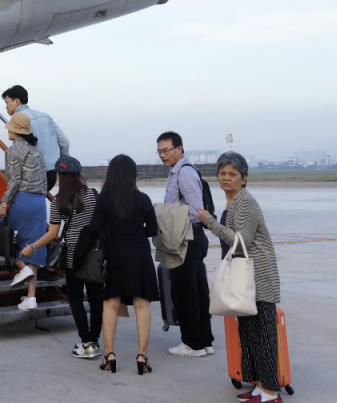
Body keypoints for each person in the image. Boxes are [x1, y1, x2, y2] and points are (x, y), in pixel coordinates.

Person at [198, 152, 285, 403]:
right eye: (222, 173)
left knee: (263, 336)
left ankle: (272, 394)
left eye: (232, 174)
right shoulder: (232, 201)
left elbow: (241, 241)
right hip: (244, 280)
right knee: (250, 335)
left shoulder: (244, 202)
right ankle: (260, 386)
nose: (226, 178)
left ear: (244, 178)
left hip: (257, 278)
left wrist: (209, 222)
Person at [86, 154, 159, 375]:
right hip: (139, 253)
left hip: (114, 254)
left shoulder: (105, 199)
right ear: (133, 175)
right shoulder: (143, 199)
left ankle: (109, 355)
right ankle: (142, 356)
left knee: (110, 304)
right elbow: (153, 231)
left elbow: (93, 227)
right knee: (142, 305)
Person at [25, 157, 104, 358]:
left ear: (59, 175)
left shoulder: (58, 201)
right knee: (96, 300)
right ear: (78, 175)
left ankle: (86, 342)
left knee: (76, 299)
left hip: (72, 256)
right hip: (94, 255)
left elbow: (52, 233)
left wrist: (32, 247)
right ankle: (94, 341)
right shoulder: (93, 195)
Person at [158, 130, 214, 357]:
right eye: (159, 151)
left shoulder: (183, 173)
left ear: (179, 149)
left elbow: (195, 210)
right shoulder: (178, 172)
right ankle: (205, 340)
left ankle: (193, 344)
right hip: (190, 236)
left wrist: (165, 215)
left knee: (186, 292)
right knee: (198, 291)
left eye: (166, 150)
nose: (162, 155)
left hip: (186, 237)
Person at [0, 112, 48, 311]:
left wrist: (3, 203)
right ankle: (31, 297)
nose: (8, 130)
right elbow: (43, 181)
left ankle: (23, 268)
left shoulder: (13, 151)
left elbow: (14, 181)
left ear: (15, 130)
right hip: (38, 202)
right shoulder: (37, 151)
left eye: (10, 127)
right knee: (32, 247)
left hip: (23, 199)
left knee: (6, 242)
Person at [2, 85, 70, 191]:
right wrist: (62, 166)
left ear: (16, 101)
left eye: (7, 102)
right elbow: (65, 142)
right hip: (51, 174)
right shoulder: (45, 116)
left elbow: (17, 152)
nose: (6, 106)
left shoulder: (18, 119)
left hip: (31, 176)